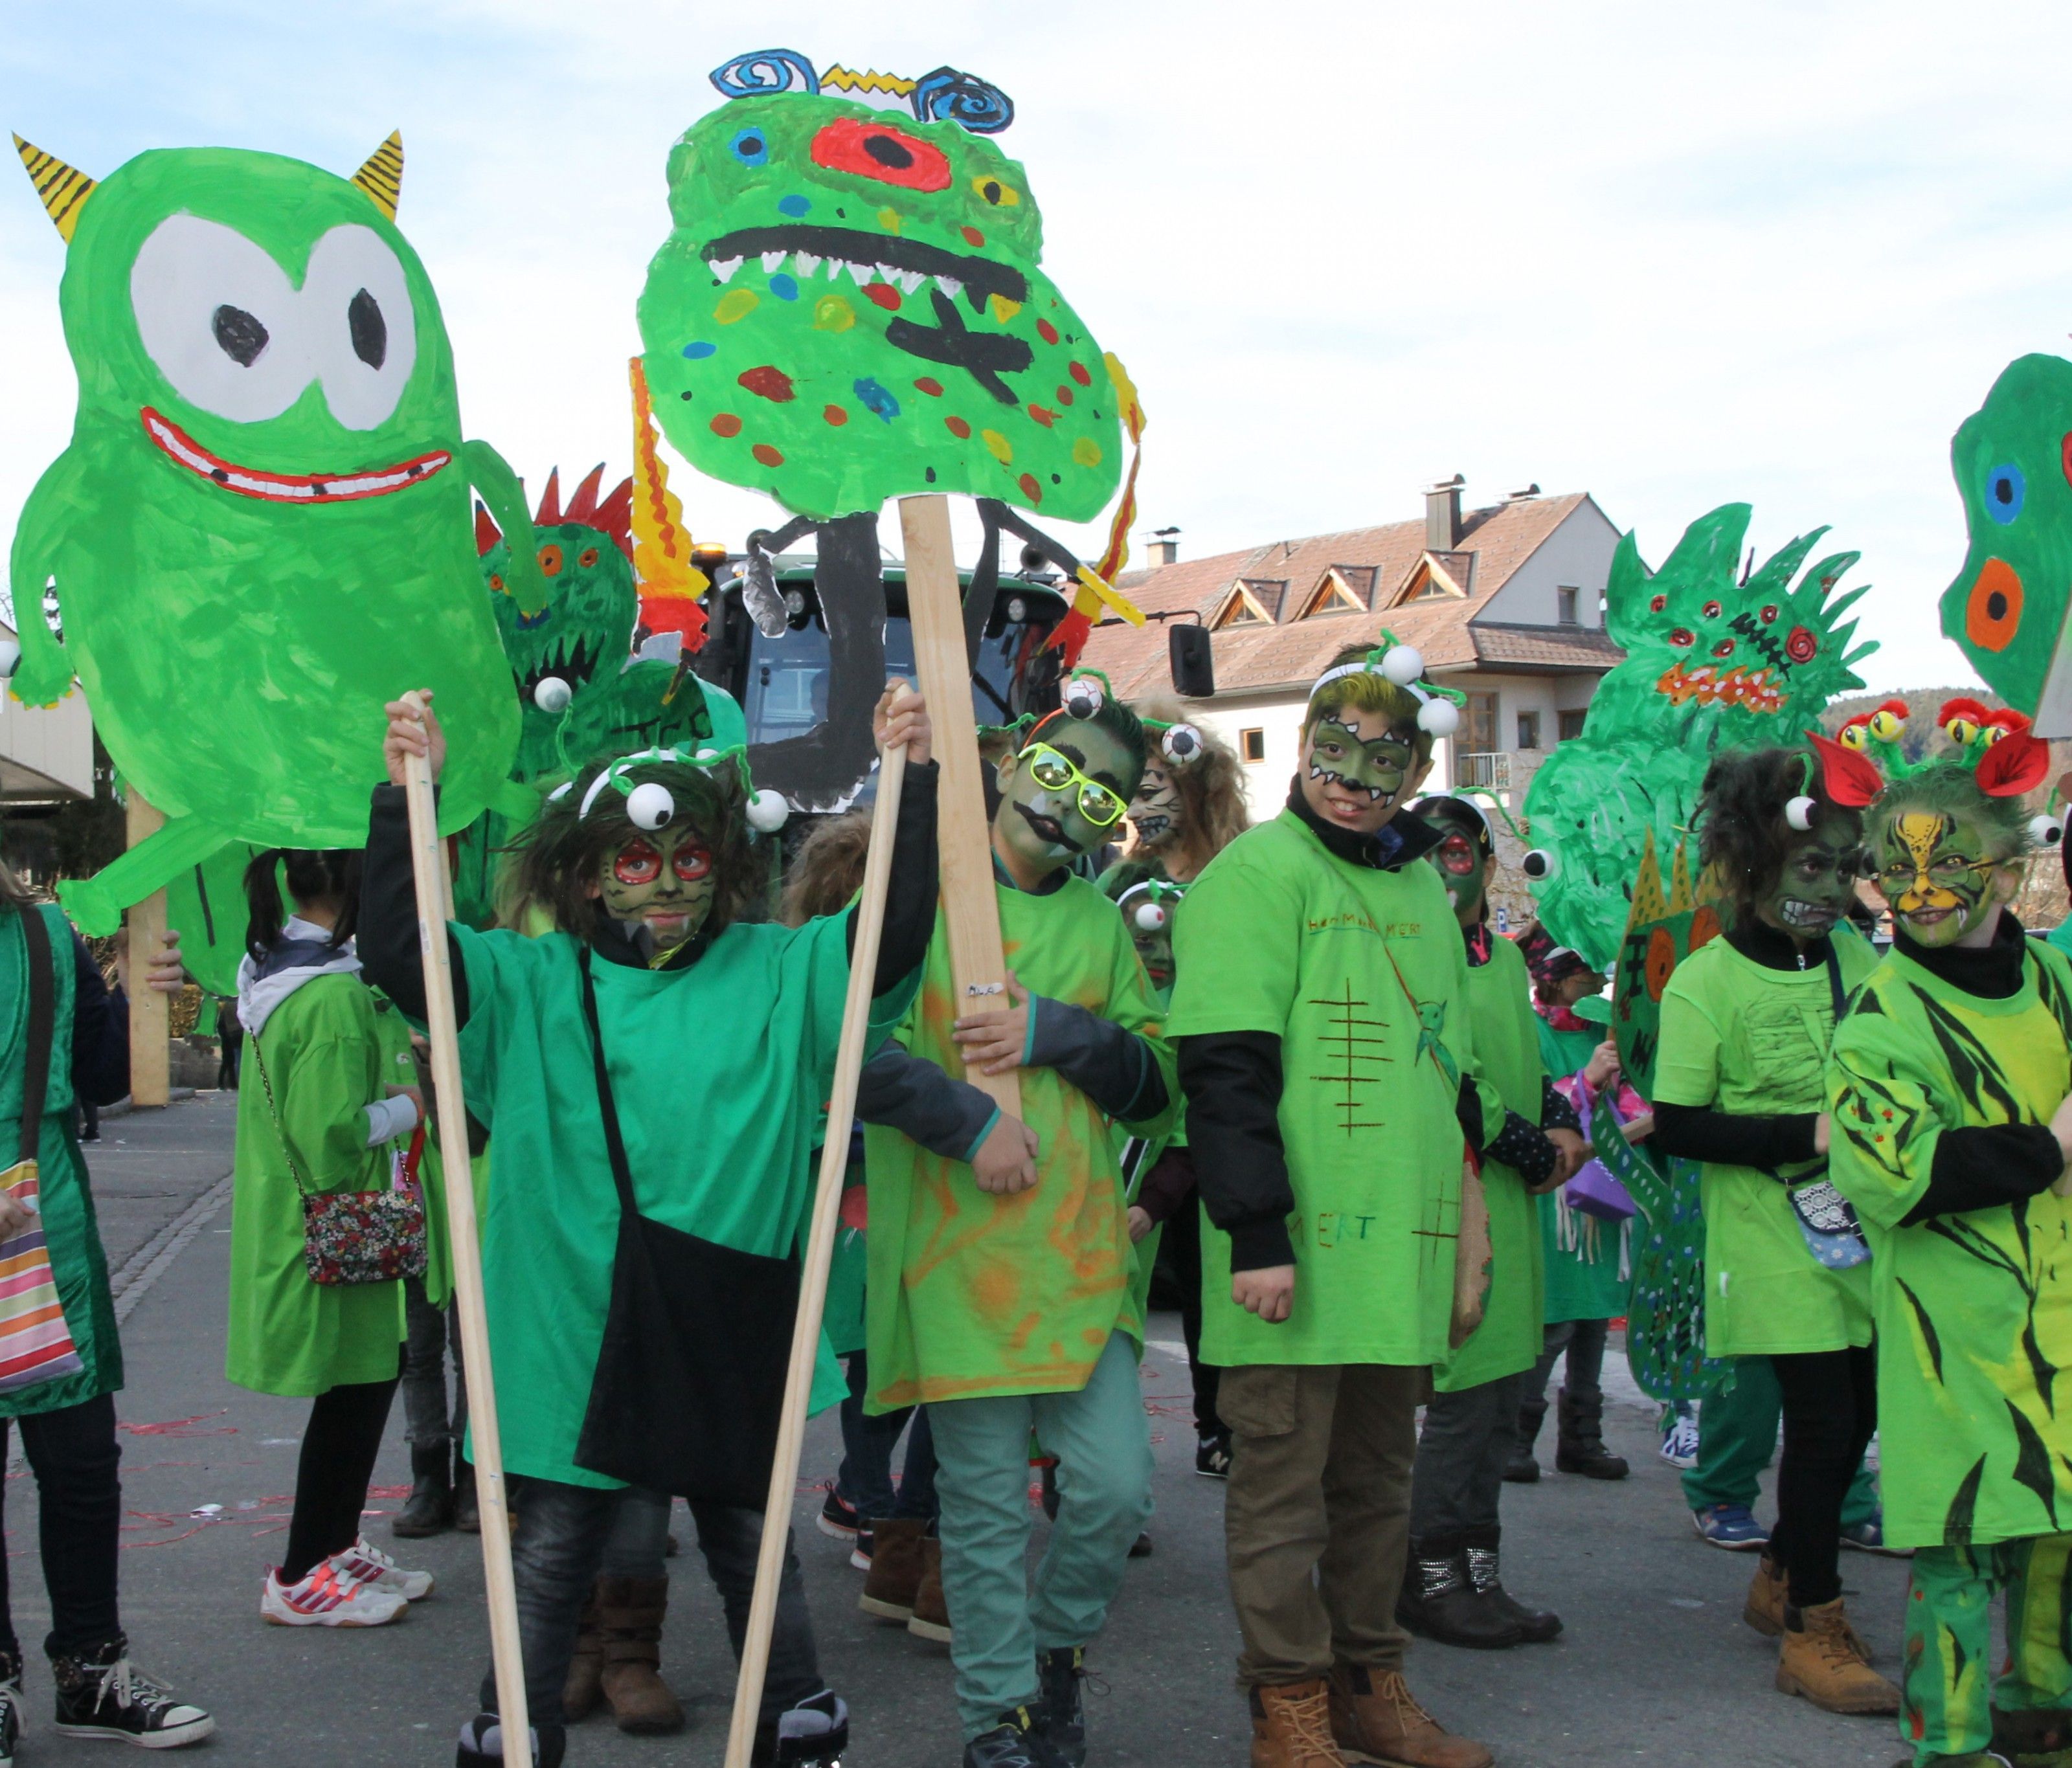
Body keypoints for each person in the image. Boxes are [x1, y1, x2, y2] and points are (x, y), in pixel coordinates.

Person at [365, 686, 938, 1768]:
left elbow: (889, 936)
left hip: (726, 1300)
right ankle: (513, 1736)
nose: (667, 882)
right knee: (556, 1545)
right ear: (585, 877)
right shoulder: (533, 981)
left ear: (725, 871)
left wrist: (915, 779)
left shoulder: (781, 971)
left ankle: (793, 1724)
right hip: (570, 1310)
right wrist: (408, 799)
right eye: (637, 860)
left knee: (745, 1537)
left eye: (690, 860)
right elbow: (407, 955)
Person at [1167, 637, 1511, 1768]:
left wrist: (1467, 1238)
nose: (1356, 775)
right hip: (1294, 1260)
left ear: (1416, 770)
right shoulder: (1255, 880)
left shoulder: (1417, 878)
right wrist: (1255, 1234)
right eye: (1338, 747)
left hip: (1397, 1262)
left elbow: (1451, 1082)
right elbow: (1223, 1073)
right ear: (1304, 745)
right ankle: (1288, 1703)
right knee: (1282, 1493)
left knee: (1378, 1487)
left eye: (1385, 757)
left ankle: (1374, 1686)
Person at [859, 677, 1175, 1768]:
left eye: (1103, 792)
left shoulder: (1099, 921)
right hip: (958, 1267)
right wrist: (963, 1124)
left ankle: (1054, 1659)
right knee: (984, 1516)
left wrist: (1060, 1033)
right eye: (1059, 769)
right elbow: (849, 1043)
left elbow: (1156, 1081)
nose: (1070, 800)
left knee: (1114, 1486)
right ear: (1006, 763)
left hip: (1079, 1264)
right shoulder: (914, 898)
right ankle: (998, 1721)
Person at [1827, 730, 2072, 1768]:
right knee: (1965, 1538)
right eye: (1899, 866)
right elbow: (1889, 1171)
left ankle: (2044, 1715)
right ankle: (1953, 1743)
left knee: (2060, 1533)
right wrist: (2048, 1148)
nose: (1922, 889)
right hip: (1951, 1333)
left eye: (1951, 862)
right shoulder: (1883, 1011)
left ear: (2010, 867)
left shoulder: (2058, 978)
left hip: (2062, 1318)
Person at [1649, 746, 1897, 1717]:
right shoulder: (1703, 981)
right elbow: (1679, 1124)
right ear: (1756, 864)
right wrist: (1810, 1132)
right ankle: (1813, 1629)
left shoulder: (1857, 955)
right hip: (1767, 1235)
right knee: (1826, 1420)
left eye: (1843, 867)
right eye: (1810, 867)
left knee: (1863, 1416)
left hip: (1861, 1233)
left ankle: (1785, 1572)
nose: (1831, 890)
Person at [0, 875, 210, 1757]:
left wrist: (141, 1007)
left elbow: (103, 1077)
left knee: (80, 1460)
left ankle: (91, 1669)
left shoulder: (47, 935)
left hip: (42, 1215)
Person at [226, 847, 433, 1630]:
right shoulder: (334, 998)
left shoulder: (276, 972)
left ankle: (333, 1544)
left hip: (303, 1223)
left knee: (365, 1382)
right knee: (354, 1391)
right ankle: (303, 1567)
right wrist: (409, 1108)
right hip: (334, 1228)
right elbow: (331, 1135)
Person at [1398, 796, 1583, 1650]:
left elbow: (1527, 1063)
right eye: (1429, 851)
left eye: (1460, 850)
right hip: (1464, 1198)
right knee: (1467, 1402)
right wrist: (1531, 1147)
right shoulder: (1409, 957)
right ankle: (1430, 1574)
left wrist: (1563, 1127)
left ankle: (1480, 1567)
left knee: (1505, 1395)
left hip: (1512, 1205)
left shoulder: (1504, 961)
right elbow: (1454, 1077)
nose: (1445, 867)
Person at [1103, 707, 1249, 1477]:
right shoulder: (1113, 884)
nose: (1134, 806)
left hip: (1222, 1106)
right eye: (1128, 789)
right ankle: (1093, 1463)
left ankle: (1219, 1423)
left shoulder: (1239, 876)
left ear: (1194, 785)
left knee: (1214, 1280)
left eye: (1151, 786)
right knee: (1118, 1286)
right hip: (1138, 1114)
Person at [1507, 941, 1632, 1484]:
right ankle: (1514, 1437)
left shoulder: (1605, 1032)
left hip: (1604, 1194)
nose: (1590, 979)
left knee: (1593, 1320)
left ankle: (1583, 1439)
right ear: (1552, 979)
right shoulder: (1531, 1031)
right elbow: (1532, 1099)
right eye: (1578, 971)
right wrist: (1587, 1078)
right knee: (1556, 1316)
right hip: (1558, 1195)